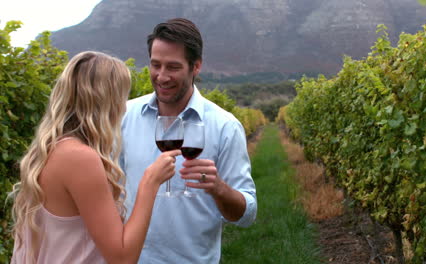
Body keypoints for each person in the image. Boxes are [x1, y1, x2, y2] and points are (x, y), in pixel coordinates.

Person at [10, 51, 181, 264]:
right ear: (107, 101)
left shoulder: (54, 148)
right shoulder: (80, 158)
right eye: (122, 96)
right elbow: (122, 258)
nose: (124, 106)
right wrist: (150, 183)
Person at [120, 18, 257, 263]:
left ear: (196, 66)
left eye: (173, 67)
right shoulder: (124, 115)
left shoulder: (224, 126)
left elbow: (247, 215)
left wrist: (219, 188)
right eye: (155, 65)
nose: (161, 77)